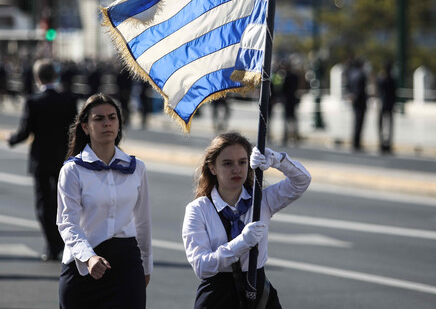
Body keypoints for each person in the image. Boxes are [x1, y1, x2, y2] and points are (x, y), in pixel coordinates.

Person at [182, 132, 311, 308]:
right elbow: (202, 266)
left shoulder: (262, 200)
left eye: (242, 162)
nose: (236, 169)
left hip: (258, 292)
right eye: (227, 164)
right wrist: (242, 242)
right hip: (218, 296)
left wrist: (276, 159)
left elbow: (302, 181)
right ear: (212, 168)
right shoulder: (198, 209)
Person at [57, 93, 152, 309]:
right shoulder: (72, 170)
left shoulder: (137, 168)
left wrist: (146, 267)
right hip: (84, 263)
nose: (107, 123)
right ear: (85, 127)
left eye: (112, 117)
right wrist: (89, 257)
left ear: (119, 124)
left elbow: (143, 222)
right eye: (98, 119)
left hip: (127, 266)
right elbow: (67, 223)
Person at [7, 58, 78, 261]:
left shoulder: (33, 101)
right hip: (65, 159)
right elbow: (74, 130)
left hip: (41, 160)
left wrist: (11, 139)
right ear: (55, 76)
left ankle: (52, 245)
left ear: (37, 78)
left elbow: (24, 132)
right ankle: (67, 243)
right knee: (65, 203)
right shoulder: (69, 99)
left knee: (43, 205)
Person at [346, 58, 368, 151]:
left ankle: (355, 141)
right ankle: (357, 142)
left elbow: (348, 86)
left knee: (356, 122)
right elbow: (361, 89)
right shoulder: (361, 75)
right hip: (361, 102)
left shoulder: (351, 74)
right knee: (359, 122)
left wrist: (351, 95)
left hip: (354, 101)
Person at [376, 61, 396, 153]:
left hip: (384, 103)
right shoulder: (391, 78)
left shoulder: (382, 78)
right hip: (388, 104)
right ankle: (385, 143)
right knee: (387, 125)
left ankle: (384, 142)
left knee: (383, 124)